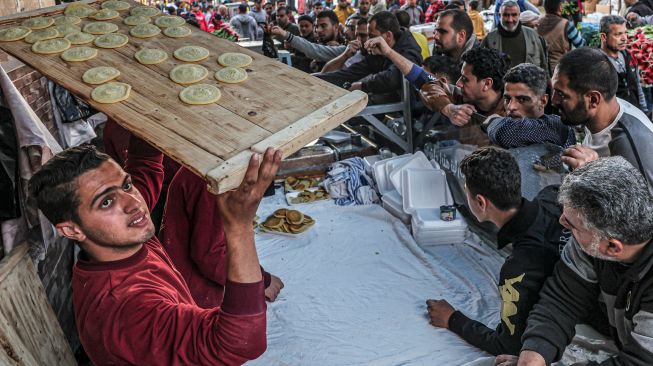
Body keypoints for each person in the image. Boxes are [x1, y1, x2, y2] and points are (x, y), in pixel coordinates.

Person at [28, 135, 282, 364]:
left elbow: (144, 164)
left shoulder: (119, 238)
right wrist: (239, 227)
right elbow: (240, 343)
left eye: (126, 186)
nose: (134, 204)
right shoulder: (126, 308)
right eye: (106, 202)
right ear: (72, 230)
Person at [500, 157, 653, 366]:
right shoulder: (594, 241)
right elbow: (562, 300)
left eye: (572, 224)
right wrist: (533, 356)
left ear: (612, 247)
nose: (562, 222)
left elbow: (639, 363)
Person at [426, 147, 570, 356]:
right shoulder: (553, 195)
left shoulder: (519, 269)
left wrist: (452, 319)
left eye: (466, 191)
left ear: (481, 202)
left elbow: (508, 345)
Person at [160, 167, 284, 309]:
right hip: (194, 298)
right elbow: (210, 255)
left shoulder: (201, 168)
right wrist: (258, 282)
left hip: (182, 284)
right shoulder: (214, 181)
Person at [552, 48, 653, 190]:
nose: (553, 100)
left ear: (593, 99)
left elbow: (644, 210)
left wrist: (596, 175)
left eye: (561, 95)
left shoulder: (628, 147)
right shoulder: (599, 112)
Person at [317, 11, 423, 97]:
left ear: (388, 35)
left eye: (372, 36)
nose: (368, 42)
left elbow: (392, 78)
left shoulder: (409, 51)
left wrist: (362, 86)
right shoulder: (378, 49)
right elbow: (352, 72)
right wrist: (316, 79)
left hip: (410, 111)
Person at [484, 64, 576, 149]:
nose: (511, 107)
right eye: (507, 99)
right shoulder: (506, 127)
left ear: (543, 101)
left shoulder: (557, 126)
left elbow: (504, 134)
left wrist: (492, 121)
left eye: (522, 99)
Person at [599, 15, 648, 113]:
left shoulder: (628, 55)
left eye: (625, 33)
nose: (624, 38)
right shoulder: (597, 63)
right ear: (604, 37)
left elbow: (637, 85)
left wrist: (644, 110)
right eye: (618, 34)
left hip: (634, 113)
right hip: (613, 120)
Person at [482, 1, 548, 71]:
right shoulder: (489, 39)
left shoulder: (532, 35)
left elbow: (543, 65)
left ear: (519, 15)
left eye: (514, 15)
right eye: (506, 15)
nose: (510, 20)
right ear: (499, 15)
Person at [272, 10, 346, 67]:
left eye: (323, 26)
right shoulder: (320, 42)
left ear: (336, 27)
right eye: (317, 27)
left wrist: (286, 34)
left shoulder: (345, 50)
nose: (318, 30)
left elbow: (312, 49)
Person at [537, 0, 585, 74]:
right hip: (559, 69)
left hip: (540, 68)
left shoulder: (538, 23)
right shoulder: (566, 24)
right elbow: (581, 45)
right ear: (560, 7)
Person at [432, 9, 478, 80]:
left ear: (461, 36)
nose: (435, 36)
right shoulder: (439, 52)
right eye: (435, 31)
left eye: (442, 32)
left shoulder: (479, 65)